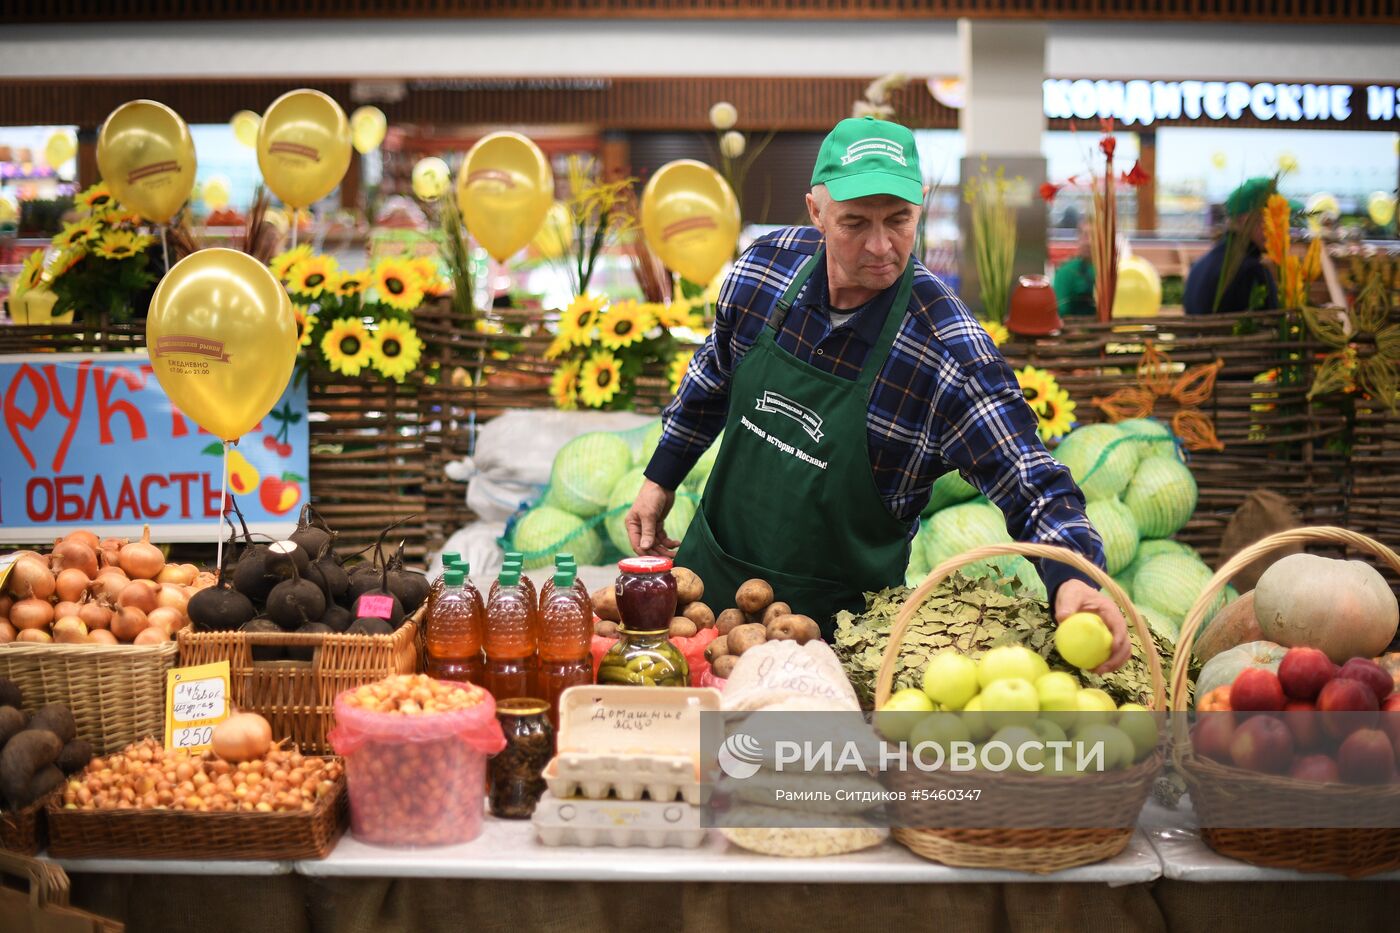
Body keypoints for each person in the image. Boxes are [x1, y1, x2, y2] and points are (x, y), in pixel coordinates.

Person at [624, 116, 1129, 672]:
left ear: (921, 209)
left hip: (838, 645)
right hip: (705, 611)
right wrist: (660, 477)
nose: (881, 246)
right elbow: (711, 378)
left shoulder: (946, 352)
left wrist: (1077, 577)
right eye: (854, 223)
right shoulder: (763, 270)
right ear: (816, 211)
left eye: (899, 220)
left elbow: (1030, 480)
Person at [1182, 177, 1279, 315]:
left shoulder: (1200, 265)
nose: (1278, 229)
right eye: (1273, 218)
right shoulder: (1253, 271)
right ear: (1245, 220)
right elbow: (1271, 327)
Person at [1053, 222, 1096, 317]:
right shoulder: (1066, 272)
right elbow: (1060, 312)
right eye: (1085, 235)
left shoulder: (1112, 273)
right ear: (1078, 239)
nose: (1089, 242)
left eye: (1095, 236)